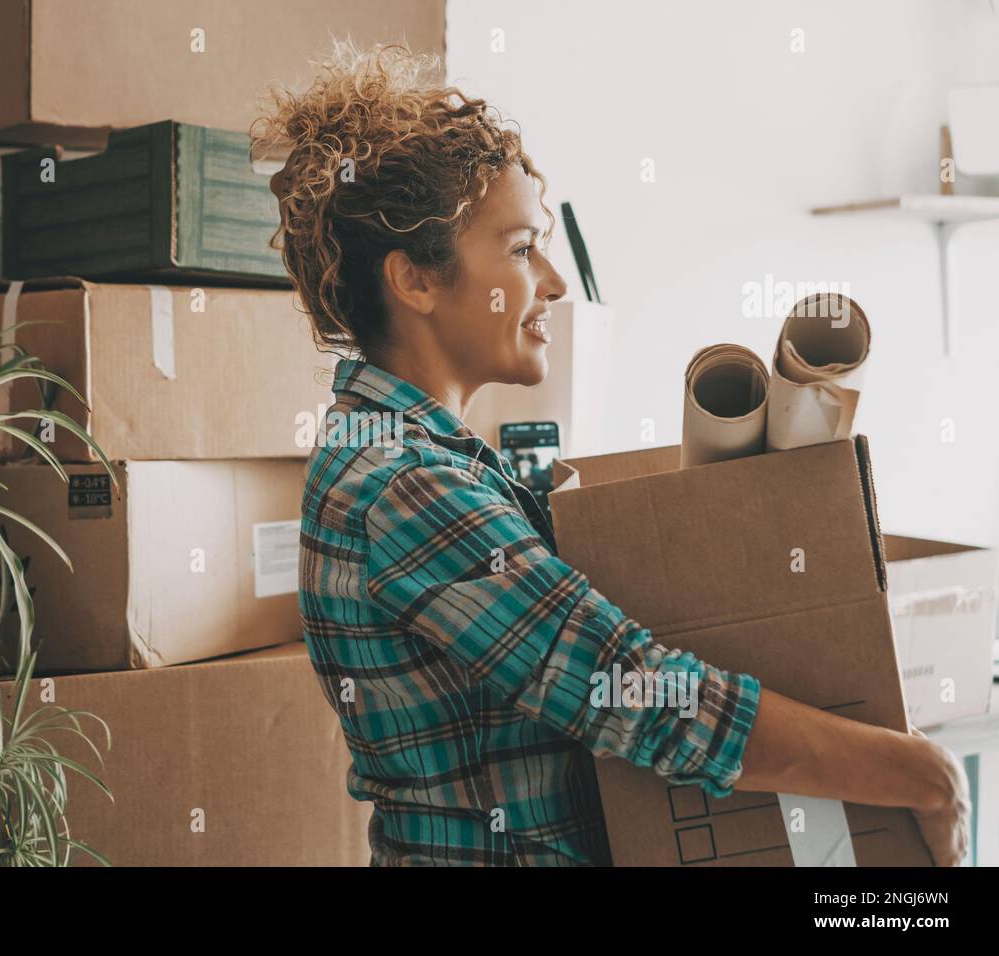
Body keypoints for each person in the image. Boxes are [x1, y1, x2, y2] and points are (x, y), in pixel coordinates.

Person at [252, 39, 970, 867]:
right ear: (415, 280)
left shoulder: (421, 458)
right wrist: (921, 775)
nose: (554, 283)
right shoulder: (407, 487)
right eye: (521, 249)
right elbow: (632, 692)